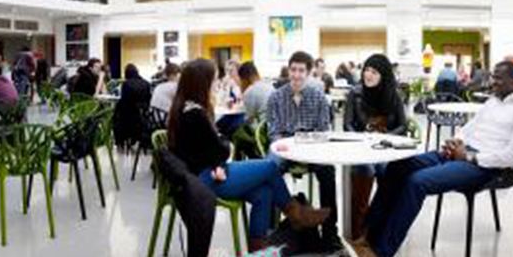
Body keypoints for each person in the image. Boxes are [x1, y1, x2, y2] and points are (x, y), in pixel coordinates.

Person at [357, 61, 513, 257]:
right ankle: (369, 234)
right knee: (396, 168)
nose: (492, 82)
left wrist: (469, 157)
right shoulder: (492, 102)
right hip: (461, 153)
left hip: (485, 166)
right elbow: (469, 128)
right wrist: (456, 141)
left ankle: (382, 251)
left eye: (498, 78)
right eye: (493, 77)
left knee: (416, 182)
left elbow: (512, 157)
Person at [167, 59, 330, 251]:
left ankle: (258, 248)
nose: (217, 84)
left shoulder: (185, 109)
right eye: (214, 80)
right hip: (203, 181)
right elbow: (222, 149)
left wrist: (219, 150)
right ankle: (296, 215)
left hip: (204, 174)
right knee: (270, 167)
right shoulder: (195, 114)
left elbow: (207, 149)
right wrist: (221, 146)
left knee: (264, 193)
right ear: (203, 83)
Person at [265, 52, 339, 231]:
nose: (296, 75)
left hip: (312, 149)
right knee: (269, 168)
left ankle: (330, 228)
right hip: (285, 148)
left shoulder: (319, 97)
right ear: (288, 70)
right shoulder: (276, 97)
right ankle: (272, 225)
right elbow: (273, 131)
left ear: (309, 73)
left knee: (328, 171)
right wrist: (283, 144)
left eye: (301, 70)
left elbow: (323, 130)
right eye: (293, 70)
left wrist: (308, 144)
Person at [345, 54, 408, 237]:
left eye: (374, 72)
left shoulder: (394, 95)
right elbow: (347, 125)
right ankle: (358, 229)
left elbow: (403, 126)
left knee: (387, 170)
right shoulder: (355, 93)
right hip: (361, 149)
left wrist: (384, 138)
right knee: (366, 169)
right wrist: (362, 139)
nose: (368, 75)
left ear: (384, 75)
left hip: (385, 148)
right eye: (366, 70)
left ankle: (380, 224)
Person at [114, 64, 153, 147]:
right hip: (143, 117)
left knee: (117, 117)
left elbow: (125, 101)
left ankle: (120, 141)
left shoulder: (126, 84)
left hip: (129, 118)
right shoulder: (146, 83)